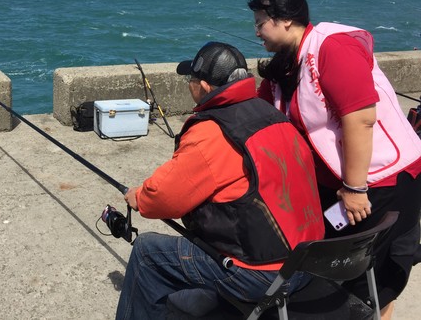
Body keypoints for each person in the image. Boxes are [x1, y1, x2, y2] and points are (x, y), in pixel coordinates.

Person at [248, 0, 421, 319]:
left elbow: (360, 120)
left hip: (382, 181)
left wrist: (355, 188)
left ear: (284, 19)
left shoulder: (332, 46)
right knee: (331, 275)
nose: (256, 33)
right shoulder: (284, 64)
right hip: (335, 187)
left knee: (371, 281)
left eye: (260, 23)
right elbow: (259, 112)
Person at [115, 42, 325, 320]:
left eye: (190, 79)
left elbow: (163, 199)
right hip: (311, 260)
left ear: (202, 87)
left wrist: (137, 197)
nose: (188, 84)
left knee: (147, 252)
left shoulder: (213, 132)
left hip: (266, 274)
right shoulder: (273, 115)